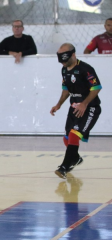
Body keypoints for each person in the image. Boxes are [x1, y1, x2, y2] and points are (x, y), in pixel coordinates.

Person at [50, 43, 102, 179]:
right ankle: (76, 158)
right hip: (73, 107)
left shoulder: (86, 69)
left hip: (90, 108)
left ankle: (64, 167)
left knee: (74, 134)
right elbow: (66, 89)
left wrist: (85, 104)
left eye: (64, 58)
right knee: (66, 137)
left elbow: (96, 87)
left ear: (73, 54)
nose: (62, 62)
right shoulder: (64, 70)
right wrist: (59, 104)